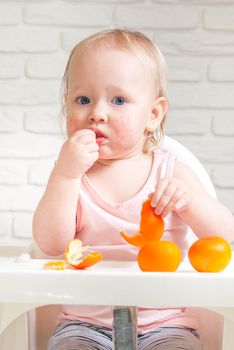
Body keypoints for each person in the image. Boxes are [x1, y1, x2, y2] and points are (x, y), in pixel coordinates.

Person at [33, 28, 234, 350]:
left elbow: (225, 234)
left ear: (152, 114)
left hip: (166, 325)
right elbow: (51, 244)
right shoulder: (72, 178)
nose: (97, 113)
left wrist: (189, 200)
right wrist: (65, 175)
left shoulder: (172, 171)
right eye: (82, 99)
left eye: (119, 100)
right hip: (82, 326)